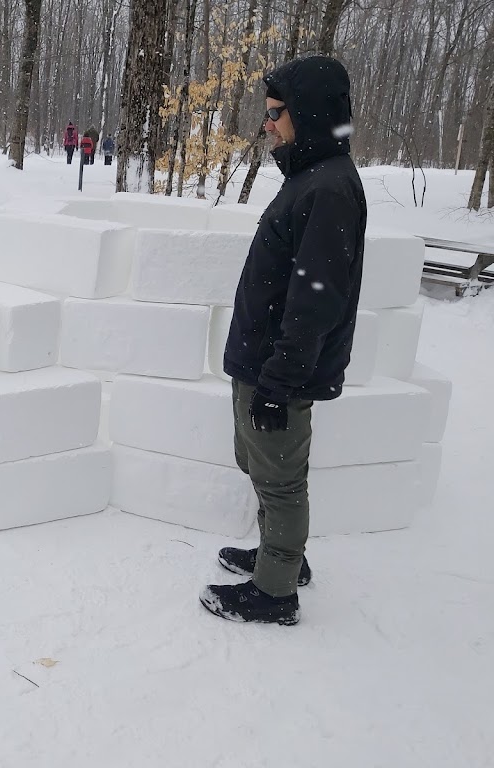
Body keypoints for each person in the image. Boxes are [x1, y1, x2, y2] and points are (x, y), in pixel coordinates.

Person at [200, 55, 367, 626]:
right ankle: (281, 556)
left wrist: (278, 382)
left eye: (276, 112)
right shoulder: (311, 178)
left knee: (280, 480)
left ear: (310, 114)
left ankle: (275, 592)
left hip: (277, 371)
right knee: (260, 465)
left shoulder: (329, 188)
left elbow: (316, 300)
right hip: (262, 363)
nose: (266, 122)